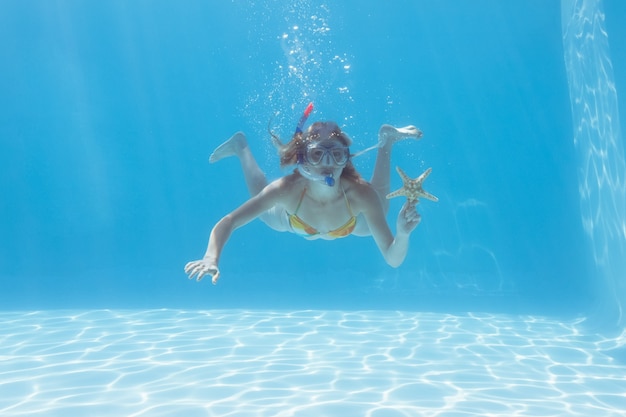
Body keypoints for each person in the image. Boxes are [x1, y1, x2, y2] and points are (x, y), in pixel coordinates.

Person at [185, 105, 426, 284]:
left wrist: (403, 234)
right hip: (290, 220)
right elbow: (230, 221)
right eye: (318, 155)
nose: (328, 163)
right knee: (261, 198)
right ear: (303, 159)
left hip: (350, 223)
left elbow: (393, 259)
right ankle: (241, 147)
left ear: (346, 159)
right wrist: (211, 257)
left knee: (379, 202)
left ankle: (387, 141)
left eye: (337, 155)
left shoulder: (360, 194)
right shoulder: (287, 190)